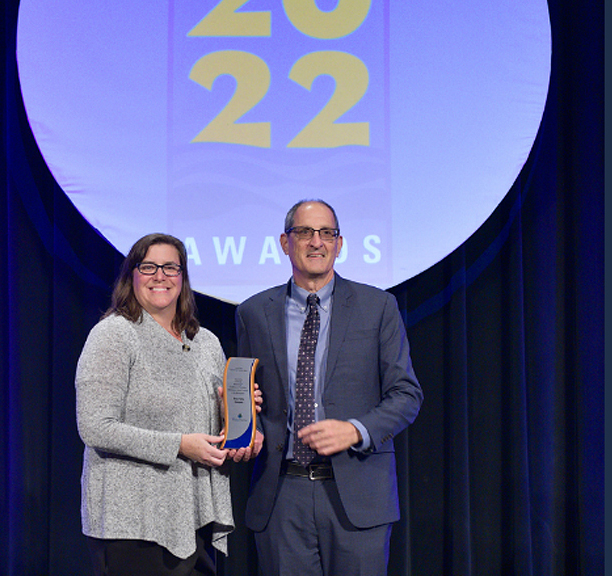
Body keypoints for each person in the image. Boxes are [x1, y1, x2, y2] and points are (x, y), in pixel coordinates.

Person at [231, 199, 423, 575]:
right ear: (285, 243)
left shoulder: (378, 307)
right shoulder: (253, 312)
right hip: (282, 497)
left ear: (339, 243)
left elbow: (406, 394)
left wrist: (355, 430)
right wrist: (242, 412)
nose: (316, 241)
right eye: (304, 232)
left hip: (356, 493)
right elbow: (250, 395)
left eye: (326, 233)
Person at [76, 232, 258, 575]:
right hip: (134, 522)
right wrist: (180, 445)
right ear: (131, 276)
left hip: (195, 514)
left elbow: (211, 420)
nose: (160, 276)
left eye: (170, 267)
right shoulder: (114, 334)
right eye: (148, 267)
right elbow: (95, 426)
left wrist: (240, 422)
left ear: (183, 278)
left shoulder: (205, 342)